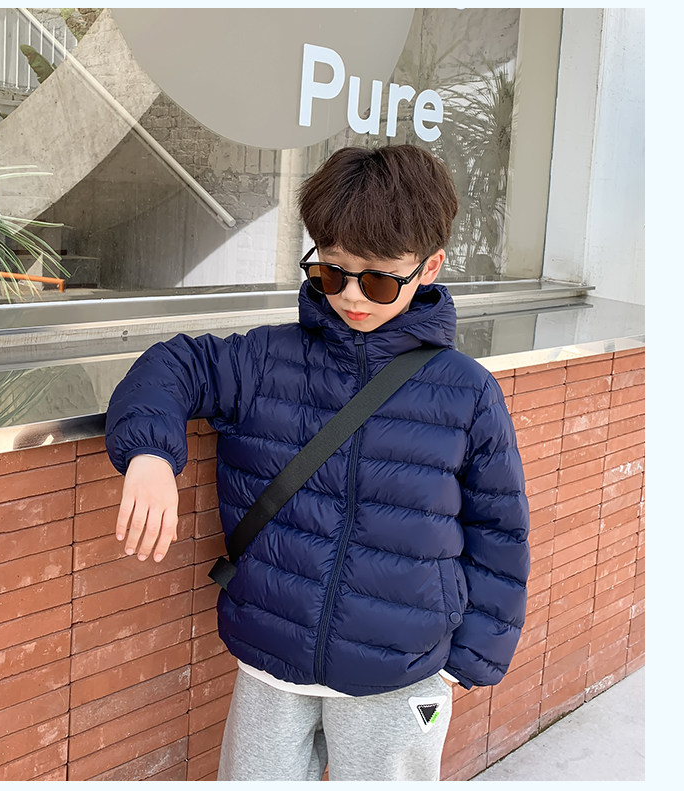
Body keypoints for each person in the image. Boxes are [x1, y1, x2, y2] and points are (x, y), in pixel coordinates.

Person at [105, 144, 530, 782]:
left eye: (379, 280)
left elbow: (499, 532)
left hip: (402, 673)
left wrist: (464, 662)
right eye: (332, 272)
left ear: (430, 267)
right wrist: (148, 454)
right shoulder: (264, 361)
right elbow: (172, 366)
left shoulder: (467, 393)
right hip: (272, 659)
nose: (352, 296)